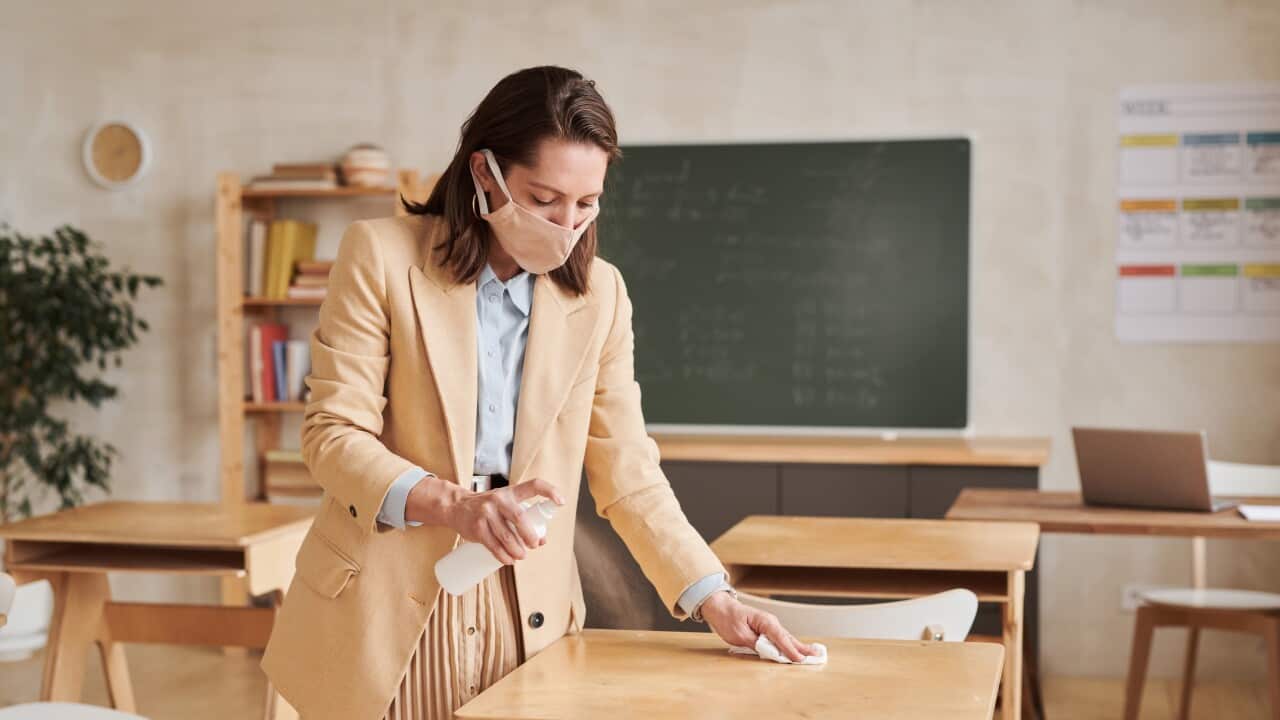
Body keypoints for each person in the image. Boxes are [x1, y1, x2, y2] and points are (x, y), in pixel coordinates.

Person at [261, 65, 818, 720]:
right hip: (382, 609)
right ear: (484, 173)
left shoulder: (601, 297)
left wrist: (712, 597)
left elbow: (629, 475)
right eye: (546, 198)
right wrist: (457, 505)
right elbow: (332, 436)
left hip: (525, 613)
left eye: (587, 203)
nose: (567, 223)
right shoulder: (380, 257)